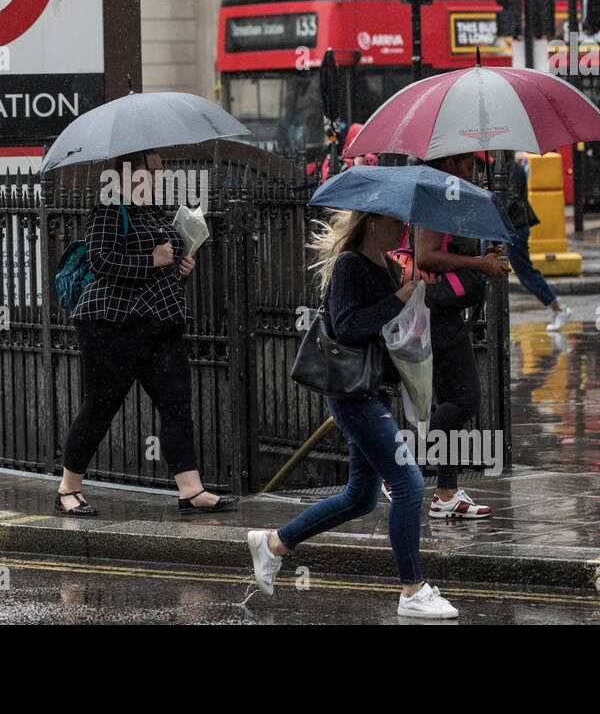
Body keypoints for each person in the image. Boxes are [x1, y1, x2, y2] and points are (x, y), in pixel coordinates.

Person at [246, 209, 460, 618]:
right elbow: (346, 327)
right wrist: (397, 299)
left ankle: (273, 544)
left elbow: (384, 328)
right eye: (396, 223)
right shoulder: (350, 265)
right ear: (372, 224)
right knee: (410, 485)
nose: (404, 229)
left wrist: (411, 305)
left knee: (360, 498)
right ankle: (412, 591)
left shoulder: (386, 266)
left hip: (373, 391)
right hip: (352, 396)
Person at [57, 150, 239, 516]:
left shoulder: (153, 211)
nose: (159, 177)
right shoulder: (110, 208)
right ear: (127, 174)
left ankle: (191, 490)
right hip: (111, 325)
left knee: (177, 405)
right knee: (100, 407)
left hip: (160, 323)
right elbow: (100, 259)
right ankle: (68, 488)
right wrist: (151, 260)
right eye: (152, 171)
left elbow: (163, 263)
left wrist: (180, 267)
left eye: (159, 171)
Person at [412, 151, 509, 518]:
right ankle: (394, 465)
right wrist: (478, 264)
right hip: (437, 314)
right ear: (449, 163)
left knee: (447, 402)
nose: (475, 174)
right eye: (469, 166)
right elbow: (427, 256)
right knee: (466, 400)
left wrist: (486, 256)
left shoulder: (446, 192)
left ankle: (445, 493)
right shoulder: (437, 193)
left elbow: (447, 250)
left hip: (443, 311)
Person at [502, 151, 571, 333]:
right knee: (486, 274)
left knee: (525, 272)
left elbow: (512, 197)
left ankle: (558, 307)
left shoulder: (513, 167)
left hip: (515, 226)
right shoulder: (495, 166)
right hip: (504, 227)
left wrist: (493, 214)